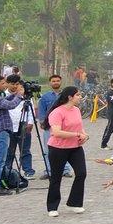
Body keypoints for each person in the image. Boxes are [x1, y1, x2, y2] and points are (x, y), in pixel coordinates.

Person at [44, 86, 89, 215]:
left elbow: (79, 127)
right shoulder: (57, 112)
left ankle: (75, 202)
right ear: (70, 97)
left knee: (81, 173)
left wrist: (85, 135)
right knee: (56, 177)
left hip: (75, 148)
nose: (80, 97)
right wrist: (76, 135)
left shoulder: (77, 110)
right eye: (78, 95)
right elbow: (57, 132)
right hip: (58, 148)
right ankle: (52, 206)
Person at [3, 78, 37, 184]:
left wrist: (30, 122)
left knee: (25, 149)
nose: (14, 86)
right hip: (9, 125)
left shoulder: (25, 95)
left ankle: (28, 170)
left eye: (17, 84)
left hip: (23, 124)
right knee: (9, 151)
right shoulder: (3, 96)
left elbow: (31, 110)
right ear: (7, 84)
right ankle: (7, 170)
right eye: (12, 84)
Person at [37, 74, 70, 179]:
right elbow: (41, 110)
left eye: (57, 81)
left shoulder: (65, 96)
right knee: (48, 150)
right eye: (53, 81)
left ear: (61, 82)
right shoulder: (45, 97)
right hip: (49, 126)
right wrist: (42, 122)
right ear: (50, 83)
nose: (56, 83)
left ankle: (65, 170)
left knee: (65, 148)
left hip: (64, 126)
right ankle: (49, 170)